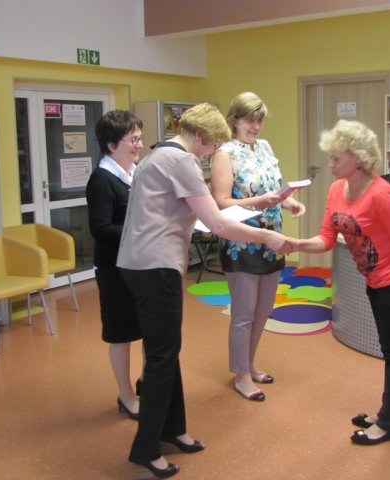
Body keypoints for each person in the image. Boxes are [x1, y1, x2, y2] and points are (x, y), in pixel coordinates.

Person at [117, 103, 289, 478]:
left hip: (138, 262)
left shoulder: (157, 153)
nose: (212, 154)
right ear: (198, 136)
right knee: (161, 358)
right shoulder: (182, 161)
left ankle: (173, 429)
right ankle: (146, 449)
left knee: (166, 352)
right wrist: (266, 236)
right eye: (212, 146)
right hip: (155, 266)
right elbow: (217, 223)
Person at [284, 119, 390, 446]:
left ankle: (388, 423)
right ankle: (385, 412)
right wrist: (295, 244)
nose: (330, 164)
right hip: (373, 282)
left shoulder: (382, 195)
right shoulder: (336, 189)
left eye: (336, 158)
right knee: (388, 350)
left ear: (359, 159)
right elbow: (326, 239)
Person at [210, 92, 305, 402]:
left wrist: (289, 203)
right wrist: (259, 202)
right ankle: (240, 375)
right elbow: (221, 202)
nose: (255, 126)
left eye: (260, 120)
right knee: (244, 313)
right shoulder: (224, 154)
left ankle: (249, 363)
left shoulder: (264, 147)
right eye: (249, 120)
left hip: (271, 240)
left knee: (263, 310)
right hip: (241, 242)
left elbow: (274, 191)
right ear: (234, 120)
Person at [86, 110, 144, 421]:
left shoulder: (135, 173)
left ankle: (147, 383)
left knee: (148, 328)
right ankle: (126, 395)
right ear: (111, 145)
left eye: (139, 138)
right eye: (133, 140)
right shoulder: (101, 180)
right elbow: (100, 228)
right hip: (114, 270)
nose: (139, 145)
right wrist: (141, 230)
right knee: (121, 334)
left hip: (140, 265)